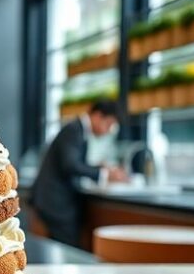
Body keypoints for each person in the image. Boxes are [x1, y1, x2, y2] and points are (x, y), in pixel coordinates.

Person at [32, 101, 128, 247]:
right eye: (109, 124)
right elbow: (70, 165)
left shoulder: (77, 129)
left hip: (54, 201)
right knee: (66, 250)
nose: (108, 130)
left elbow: (73, 163)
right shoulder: (74, 130)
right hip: (56, 203)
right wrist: (104, 174)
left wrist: (100, 168)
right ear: (97, 116)